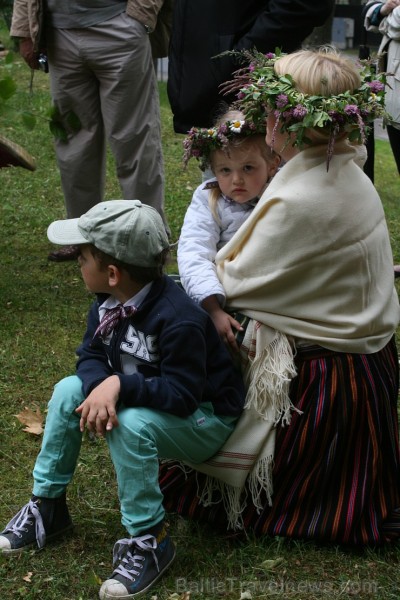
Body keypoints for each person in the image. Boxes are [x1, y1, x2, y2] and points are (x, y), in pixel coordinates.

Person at [159, 48, 400, 546]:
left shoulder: (300, 198)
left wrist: (201, 283)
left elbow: (235, 280)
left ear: (289, 118)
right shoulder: (344, 171)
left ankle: (222, 453)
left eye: (269, 104)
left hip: (329, 386)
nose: (262, 114)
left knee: (183, 315)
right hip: (370, 362)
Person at [0, 200, 245, 598]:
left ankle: (150, 538)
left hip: (204, 418)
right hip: (150, 400)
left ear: (112, 273)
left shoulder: (178, 318)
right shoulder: (106, 303)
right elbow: (91, 356)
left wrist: (119, 387)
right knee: (67, 391)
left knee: (129, 425)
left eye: (82, 257)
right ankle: (47, 506)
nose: (78, 264)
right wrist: (104, 383)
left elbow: (183, 395)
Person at [10, 1, 170, 262]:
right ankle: (79, 233)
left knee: (134, 138)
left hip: (120, 26)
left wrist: (139, 16)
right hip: (59, 33)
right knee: (73, 142)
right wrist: (24, 30)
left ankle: (149, 238)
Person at [178, 108, 280, 351]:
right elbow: (194, 251)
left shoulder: (283, 196)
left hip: (274, 296)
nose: (236, 180)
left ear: (273, 165)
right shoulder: (208, 198)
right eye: (225, 170)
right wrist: (212, 308)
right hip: (224, 295)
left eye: (248, 168)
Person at [167, 0, 335, 135]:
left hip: (253, 92)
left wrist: (242, 58)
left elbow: (303, 6)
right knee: (224, 172)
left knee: (256, 168)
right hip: (210, 89)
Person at [364, 0, 400, 277]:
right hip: (395, 106)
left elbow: (397, 22)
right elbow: (370, 10)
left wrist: (390, 15)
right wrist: (384, 9)